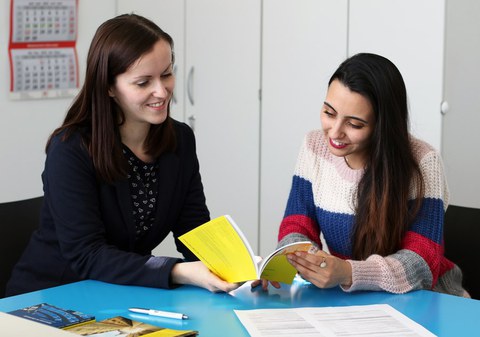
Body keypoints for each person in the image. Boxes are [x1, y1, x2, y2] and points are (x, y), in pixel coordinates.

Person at [6, 14, 239, 296]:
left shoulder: (180, 139)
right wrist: (178, 271)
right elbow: (86, 254)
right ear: (108, 87)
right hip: (56, 295)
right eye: (143, 83)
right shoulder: (70, 149)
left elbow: (194, 229)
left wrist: (237, 268)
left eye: (166, 74)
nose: (161, 91)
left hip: (123, 291)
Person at [255, 53, 468, 297]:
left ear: (382, 126)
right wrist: (288, 262)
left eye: (354, 124)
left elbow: (421, 262)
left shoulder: (422, 162)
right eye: (329, 112)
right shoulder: (314, 146)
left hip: (428, 298)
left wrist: (348, 272)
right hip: (352, 300)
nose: (334, 132)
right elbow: (297, 225)